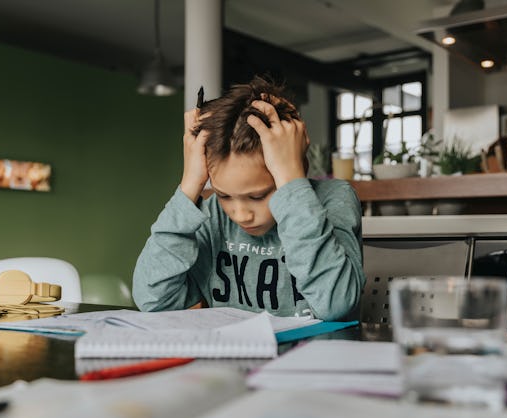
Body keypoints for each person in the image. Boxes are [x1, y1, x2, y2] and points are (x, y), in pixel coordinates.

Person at [132, 76, 365, 321]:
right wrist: (189, 185)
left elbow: (337, 304)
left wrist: (291, 181)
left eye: (257, 196)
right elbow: (153, 299)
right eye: (224, 195)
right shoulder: (211, 216)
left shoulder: (334, 198)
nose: (241, 214)